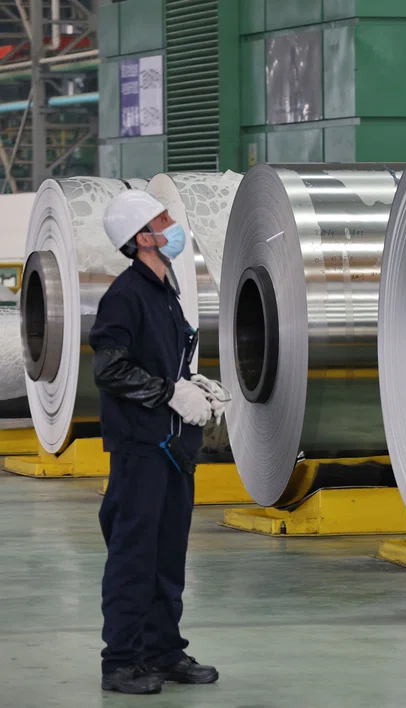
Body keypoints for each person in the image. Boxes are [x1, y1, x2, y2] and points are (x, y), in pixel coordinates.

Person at [91, 190, 227, 695]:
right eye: (163, 219)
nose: (174, 225)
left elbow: (163, 361)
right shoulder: (126, 295)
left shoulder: (164, 289)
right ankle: (121, 663)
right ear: (143, 238)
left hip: (173, 448)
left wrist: (194, 383)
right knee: (134, 557)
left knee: (168, 554)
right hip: (141, 449)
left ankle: (163, 652)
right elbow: (110, 370)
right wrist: (168, 393)